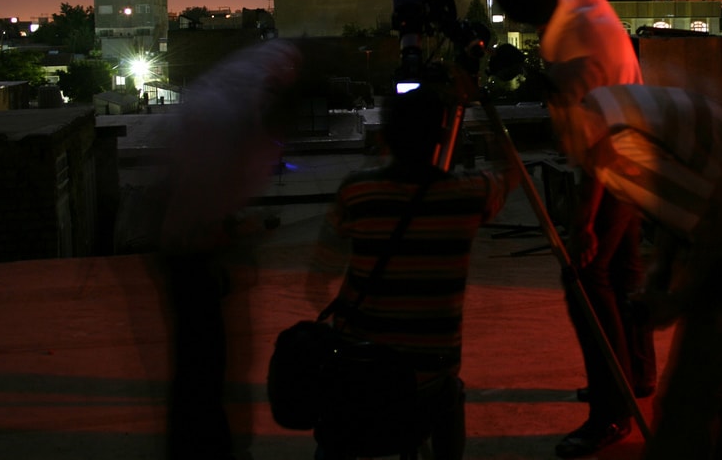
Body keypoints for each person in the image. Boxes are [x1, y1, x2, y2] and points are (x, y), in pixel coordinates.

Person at [475, 0, 655, 457]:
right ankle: (637, 377)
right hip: (639, 135)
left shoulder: (578, 53)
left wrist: (582, 222)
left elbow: (596, 151)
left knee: (587, 277)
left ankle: (612, 411)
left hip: (621, 152)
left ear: (523, 10)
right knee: (625, 269)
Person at [568, 83, 722, 459]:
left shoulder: (628, 137)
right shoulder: (618, 122)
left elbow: (714, 220)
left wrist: (678, 298)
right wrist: (658, 278)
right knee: (717, 373)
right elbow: (676, 207)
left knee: (687, 398)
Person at [313, 85, 520, 460]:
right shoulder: (468, 194)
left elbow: (322, 271)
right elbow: (512, 169)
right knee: (449, 394)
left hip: (361, 363)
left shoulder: (358, 192)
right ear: (443, 140)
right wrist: (479, 105)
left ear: (386, 136)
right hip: (431, 372)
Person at [156, 39, 303, 460]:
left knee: (203, 370)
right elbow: (195, 216)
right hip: (191, 258)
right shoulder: (224, 120)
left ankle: (206, 443)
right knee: (202, 370)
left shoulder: (233, 110)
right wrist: (227, 234)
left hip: (194, 254)